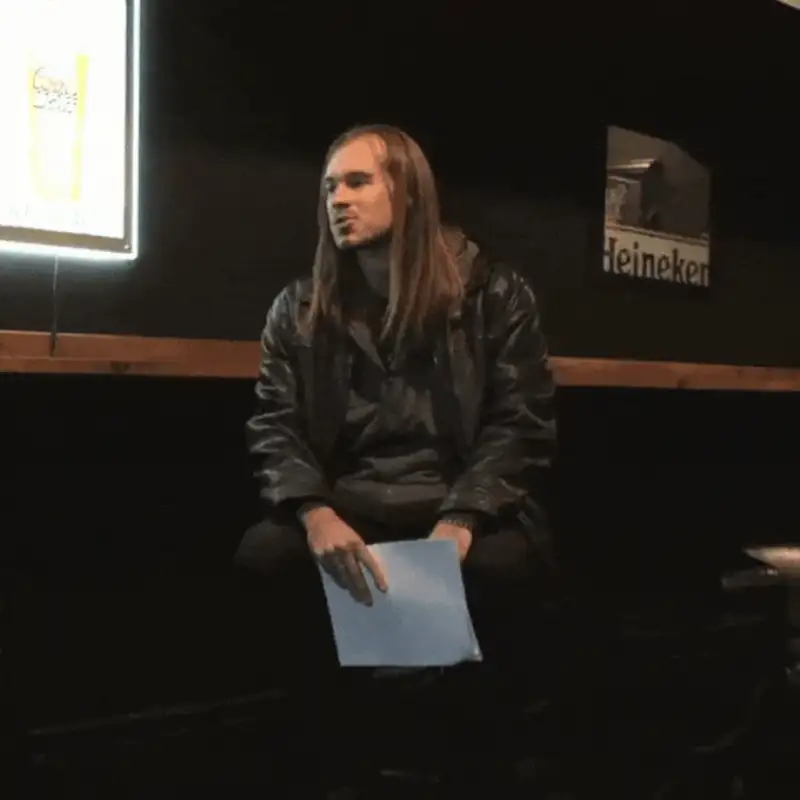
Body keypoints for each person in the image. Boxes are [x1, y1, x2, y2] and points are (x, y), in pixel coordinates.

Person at [236, 122, 557, 698]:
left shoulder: (495, 295)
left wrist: (461, 523)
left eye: (358, 182)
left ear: (408, 192)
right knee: (266, 554)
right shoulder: (298, 307)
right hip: (351, 502)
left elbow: (520, 423)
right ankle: (323, 747)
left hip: (459, 503)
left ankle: (477, 749)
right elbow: (274, 425)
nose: (339, 200)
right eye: (331, 187)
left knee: (500, 569)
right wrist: (315, 513)